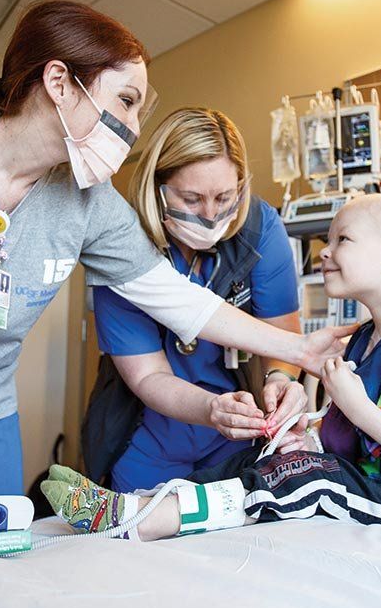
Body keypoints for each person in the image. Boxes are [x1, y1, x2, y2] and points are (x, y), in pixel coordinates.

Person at [0, 0, 353, 551]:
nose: (131, 126)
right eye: (125, 101)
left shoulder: (87, 200)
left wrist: (299, 348)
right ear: (58, 84)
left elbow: (175, 298)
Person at [41, 195, 381, 541]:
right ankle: (136, 505)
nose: (323, 252)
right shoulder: (364, 340)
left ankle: (140, 523)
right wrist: (303, 437)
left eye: (341, 240)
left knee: (317, 479)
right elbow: (346, 442)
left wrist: (356, 409)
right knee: (266, 457)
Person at [88, 107, 308, 491]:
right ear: (158, 188)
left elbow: (283, 336)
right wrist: (210, 409)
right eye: (192, 199)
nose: (210, 215)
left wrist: (279, 379)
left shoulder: (259, 229)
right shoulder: (121, 244)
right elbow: (148, 375)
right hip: (146, 436)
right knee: (139, 540)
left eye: (225, 196)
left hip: (233, 435)